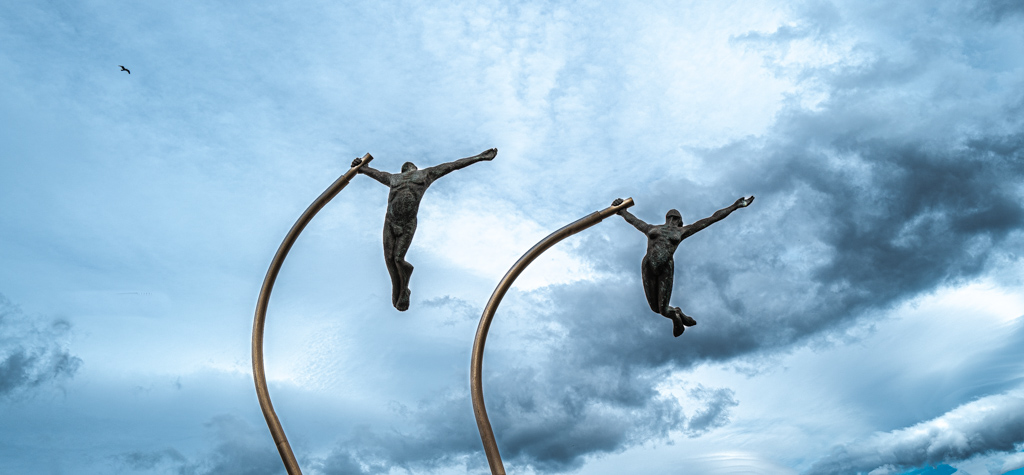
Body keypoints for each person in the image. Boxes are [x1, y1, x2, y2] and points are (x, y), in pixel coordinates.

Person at [352, 148, 498, 311]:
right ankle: (398, 294)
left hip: (406, 223)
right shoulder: (395, 178)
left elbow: (452, 165)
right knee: (390, 260)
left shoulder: (423, 175)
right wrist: (362, 167)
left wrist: (479, 157)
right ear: (410, 168)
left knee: (398, 259)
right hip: (391, 222)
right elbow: (373, 172)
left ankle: (403, 289)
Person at [612, 195, 754, 336]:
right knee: (655, 309)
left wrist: (735, 206)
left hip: (665, 268)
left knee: (664, 310)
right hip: (648, 265)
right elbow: (634, 221)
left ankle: (676, 317)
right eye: (671, 216)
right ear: (667, 218)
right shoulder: (651, 228)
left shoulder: (682, 231)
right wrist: (622, 210)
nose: (673, 217)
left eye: (676, 217)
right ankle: (678, 313)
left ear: (680, 221)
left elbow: (712, 218)